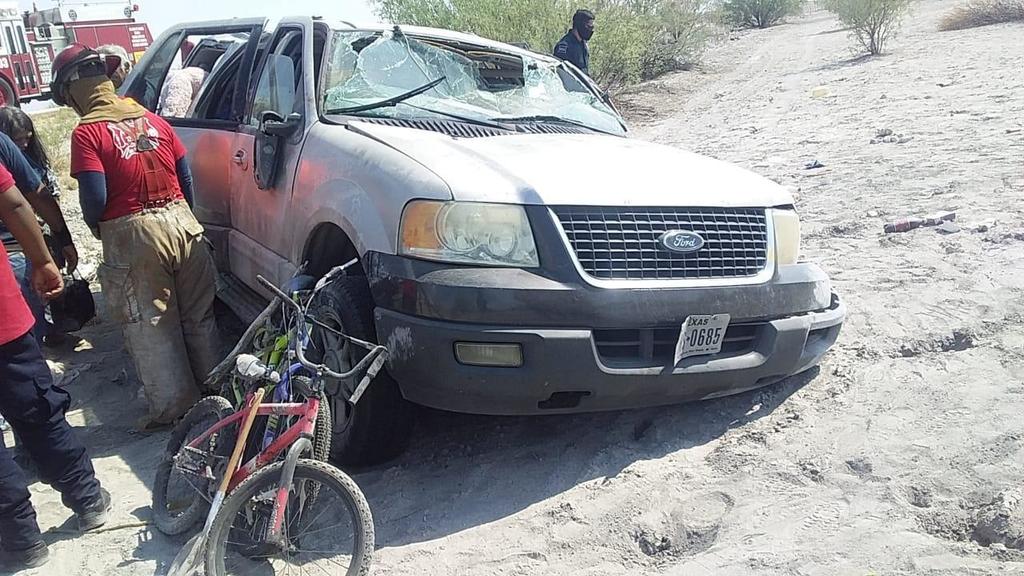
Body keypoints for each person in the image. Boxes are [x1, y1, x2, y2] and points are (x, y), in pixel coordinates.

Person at [51, 44, 220, 431]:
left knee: (151, 325)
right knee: (198, 316)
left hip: (135, 232)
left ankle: (177, 412)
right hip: (184, 223)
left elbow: (93, 196)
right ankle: (217, 394)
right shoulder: (154, 120)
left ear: (74, 90)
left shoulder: (89, 133)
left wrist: (101, 228)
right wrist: (183, 215)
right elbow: (185, 176)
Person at [0, 161, 110, 571]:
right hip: (4, 318)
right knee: (37, 412)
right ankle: (89, 500)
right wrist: (44, 260)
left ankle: (22, 541)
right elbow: (14, 203)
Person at [0, 110, 78, 347]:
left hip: (18, 252)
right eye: (18, 139)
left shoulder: (24, 154)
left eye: (27, 138)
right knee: (23, 343)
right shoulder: (3, 146)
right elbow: (31, 200)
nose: (24, 144)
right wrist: (64, 239)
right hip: (15, 252)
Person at [554, 9, 595, 75]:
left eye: (592, 27)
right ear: (580, 25)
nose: (590, 30)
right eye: (588, 26)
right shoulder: (564, 46)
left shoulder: (584, 45)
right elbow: (560, 73)